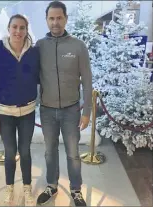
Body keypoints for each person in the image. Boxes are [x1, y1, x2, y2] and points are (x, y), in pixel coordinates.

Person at [36, 1, 92, 206]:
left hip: (71, 110)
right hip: (47, 110)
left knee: (73, 153)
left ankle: (76, 189)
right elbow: (30, 74)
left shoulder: (78, 46)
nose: (55, 22)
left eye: (59, 17)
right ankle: (51, 185)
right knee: (50, 151)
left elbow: (87, 80)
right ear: (47, 20)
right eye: (51, 18)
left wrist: (87, 112)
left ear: (66, 19)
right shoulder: (40, 46)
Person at [0, 14, 39, 206]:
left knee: (25, 151)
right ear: (8, 28)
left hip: (28, 112)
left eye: (22, 28)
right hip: (4, 113)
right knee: (9, 152)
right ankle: (9, 188)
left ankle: (27, 188)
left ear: (26, 29)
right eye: (14, 27)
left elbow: (39, 77)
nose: (18, 31)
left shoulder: (33, 52)